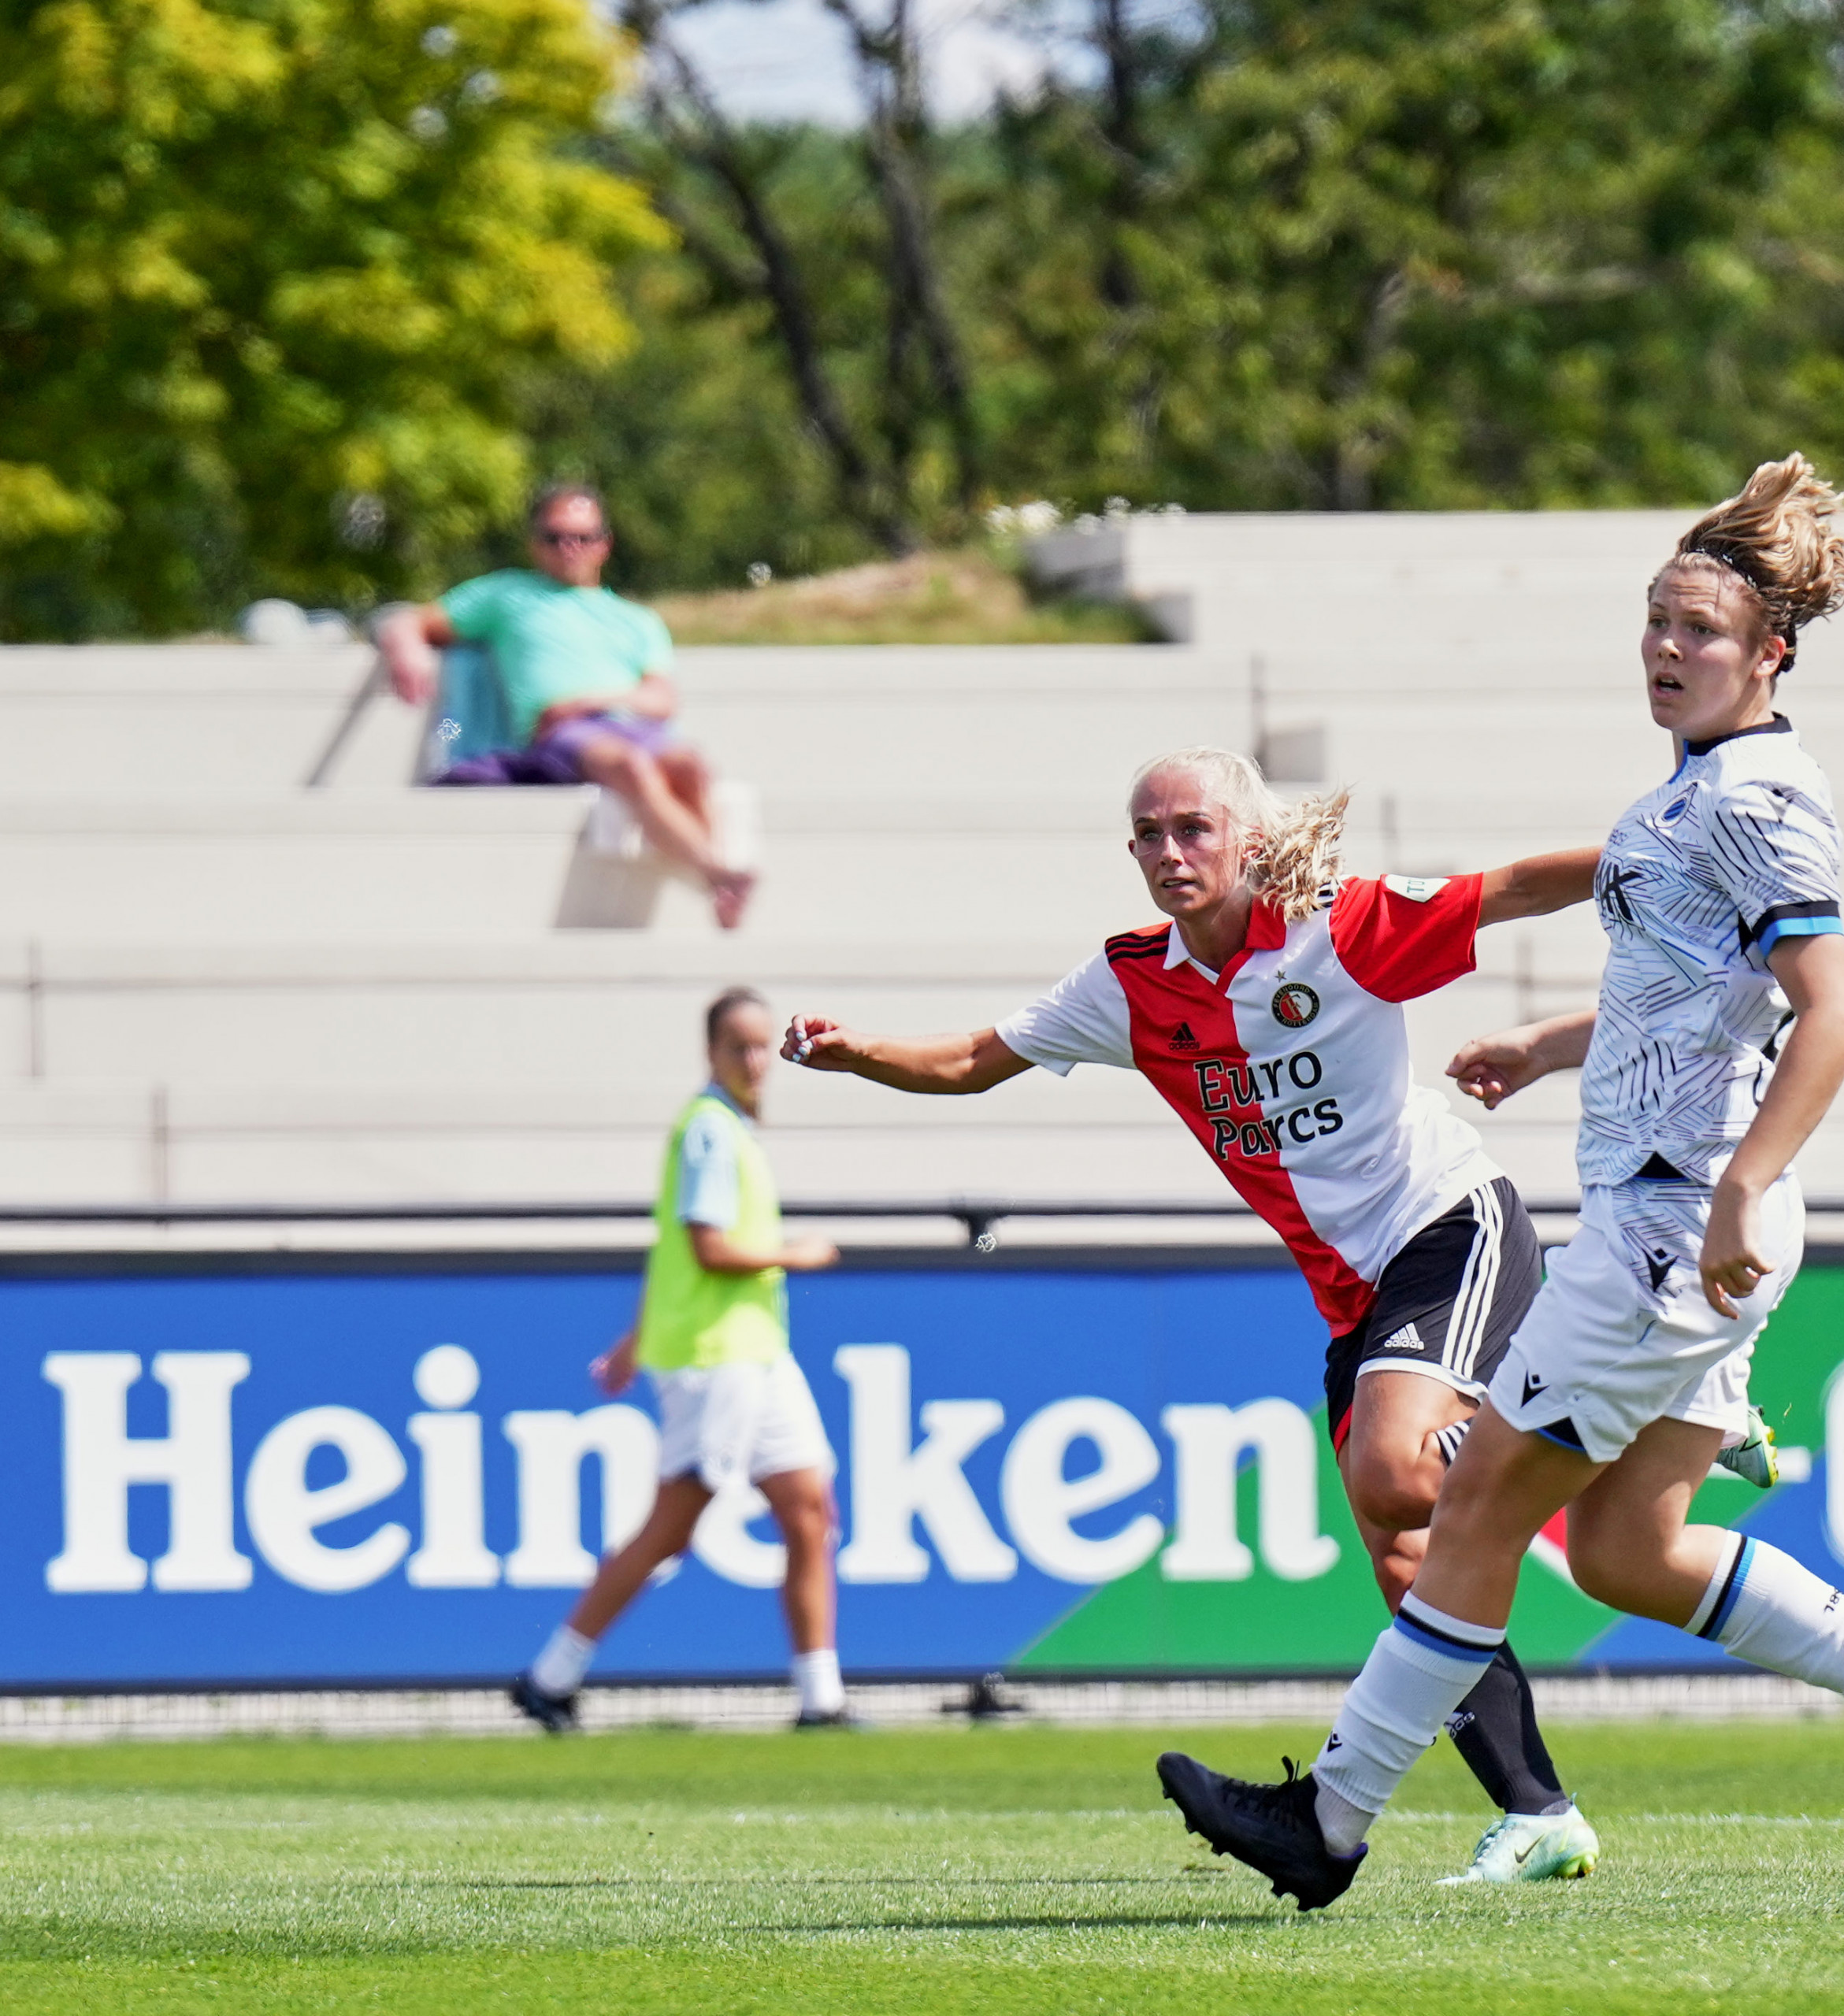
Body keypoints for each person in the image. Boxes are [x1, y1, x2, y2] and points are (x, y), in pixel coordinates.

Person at [1156, 456, 1844, 1912]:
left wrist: (1750, 1183)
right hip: (1666, 1213)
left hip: (1678, 1229)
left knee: (1477, 1500)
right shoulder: (1689, 796)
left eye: (1700, 630)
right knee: (1627, 1551)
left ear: (1772, 654)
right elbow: (1698, 987)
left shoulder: (1761, 801)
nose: (1668, 650)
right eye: (1657, 623)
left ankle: (1334, 1820)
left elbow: (1835, 1007)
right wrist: (1558, 1048)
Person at [781, 746, 1622, 1885]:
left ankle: (1613, 1421)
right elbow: (981, 1059)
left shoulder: (1340, 929)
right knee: (1410, 1558)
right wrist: (856, 1054)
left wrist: (1654, 857)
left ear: (1246, 838)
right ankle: (1539, 1812)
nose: (1171, 852)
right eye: (1148, 834)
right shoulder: (1133, 984)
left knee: (1391, 1476)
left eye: (1193, 828)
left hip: (1447, 1227)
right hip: (1352, 1296)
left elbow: (1510, 888)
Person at [511, 987, 848, 1730]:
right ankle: (550, 1676)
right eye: (740, 1046)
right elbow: (707, 1247)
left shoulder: (731, 1129)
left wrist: (631, 1343)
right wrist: (799, 1254)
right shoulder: (709, 1130)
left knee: (809, 1510)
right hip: (714, 1359)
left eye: (764, 1047)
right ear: (712, 1053)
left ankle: (821, 1699)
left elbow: (671, 1256)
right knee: (673, 1524)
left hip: (757, 1351)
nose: (756, 1060)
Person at [377, 484, 758, 928]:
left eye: (583, 537)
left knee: (689, 764)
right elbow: (410, 620)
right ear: (534, 543)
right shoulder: (507, 595)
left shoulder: (636, 620)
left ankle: (720, 880)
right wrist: (408, 649)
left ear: (605, 544)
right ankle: (720, 874)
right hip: (563, 734)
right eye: (554, 537)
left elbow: (662, 700)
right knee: (632, 768)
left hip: (630, 722)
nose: (569, 548)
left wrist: (596, 699)